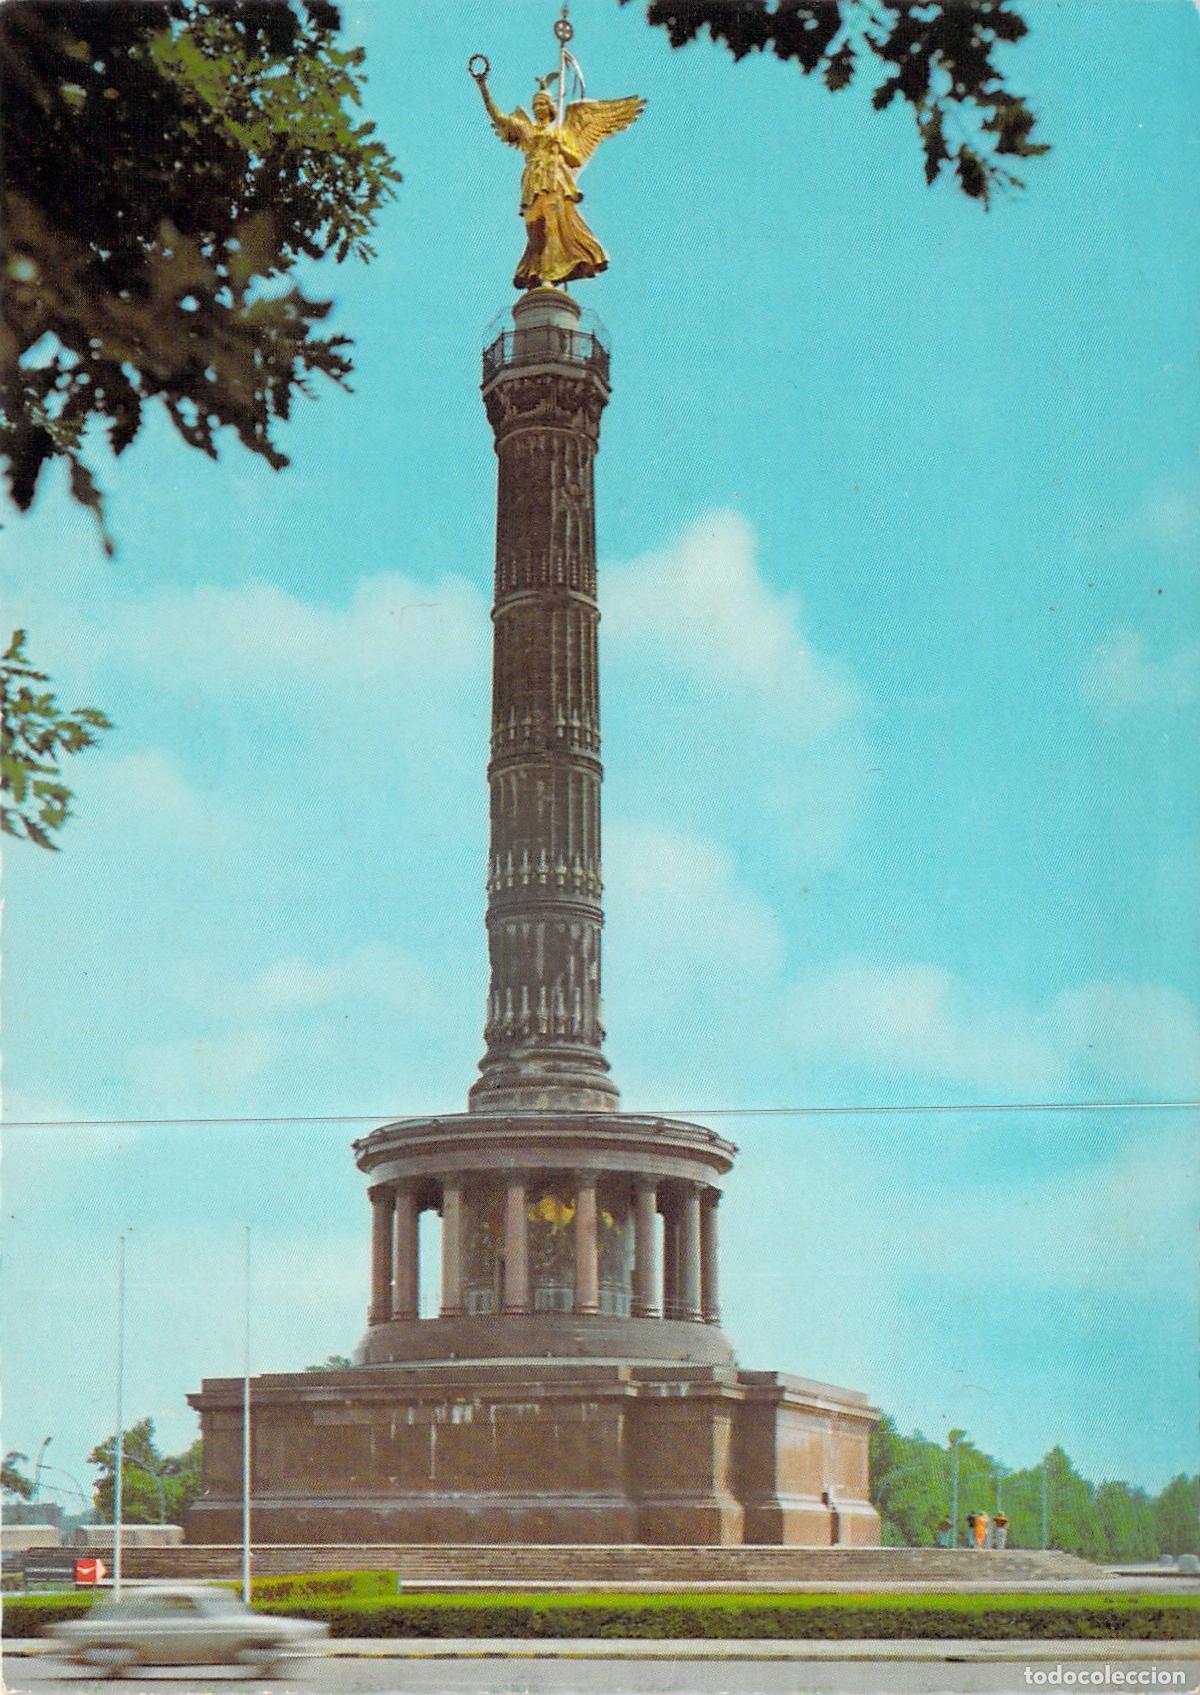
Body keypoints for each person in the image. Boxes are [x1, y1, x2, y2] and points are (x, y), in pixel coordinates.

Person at [472, 65, 644, 290]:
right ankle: (538, 270)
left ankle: (550, 275)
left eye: (543, 103)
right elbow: (498, 115)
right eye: (536, 105)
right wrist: (483, 85)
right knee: (535, 231)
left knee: (553, 224)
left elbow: (575, 160)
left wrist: (560, 147)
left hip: (555, 182)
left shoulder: (561, 132)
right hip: (533, 181)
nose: (539, 107)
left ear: (551, 107)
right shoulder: (526, 130)